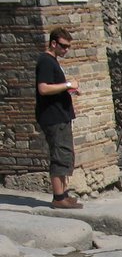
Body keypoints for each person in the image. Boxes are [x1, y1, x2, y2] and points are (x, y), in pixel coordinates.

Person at [35, 27, 82, 209]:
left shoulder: (52, 61)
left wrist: (69, 88)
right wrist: (69, 84)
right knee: (59, 155)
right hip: (53, 117)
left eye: (68, 47)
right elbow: (44, 88)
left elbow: (55, 87)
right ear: (53, 43)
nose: (65, 50)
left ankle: (64, 194)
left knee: (65, 154)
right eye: (63, 46)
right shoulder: (46, 61)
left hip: (60, 115)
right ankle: (58, 197)